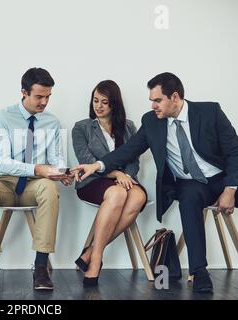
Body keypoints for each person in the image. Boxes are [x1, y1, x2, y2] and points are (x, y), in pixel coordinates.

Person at [74, 72, 238, 293]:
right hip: (192, 184)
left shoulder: (210, 112)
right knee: (188, 200)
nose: (153, 105)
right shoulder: (152, 122)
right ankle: (200, 273)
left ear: (175, 97)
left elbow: (234, 151)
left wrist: (230, 189)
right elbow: (127, 152)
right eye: (151, 100)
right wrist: (96, 166)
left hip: (222, 178)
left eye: (157, 100)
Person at [0, 67, 73, 291]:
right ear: (24, 92)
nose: (44, 102)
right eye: (39, 96)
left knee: (50, 188)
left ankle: (40, 268)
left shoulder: (52, 122)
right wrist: (38, 168)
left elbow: (56, 159)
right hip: (4, 181)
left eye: (48, 97)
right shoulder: (4, 116)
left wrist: (62, 173)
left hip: (35, 186)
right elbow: (0, 161)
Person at [72, 80, 147, 287]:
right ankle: (96, 261)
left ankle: (91, 252)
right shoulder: (81, 128)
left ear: (114, 104)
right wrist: (116, 174)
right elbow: (86, 160)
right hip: (93, 182)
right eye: (95, 101)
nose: (99, 106)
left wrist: (126, 177)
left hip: (125, 181)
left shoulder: (129, 127)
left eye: (104, 102)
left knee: (138, 196)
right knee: (117, 194)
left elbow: (134, 160)